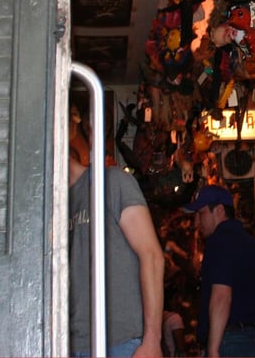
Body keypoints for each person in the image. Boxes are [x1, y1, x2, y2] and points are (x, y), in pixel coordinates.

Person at [69, 147, 164, 357]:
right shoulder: (54, 204)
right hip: (72, 344)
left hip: (121, 343)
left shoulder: (110, 182)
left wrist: (152, 340)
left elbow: (151, 255)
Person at [182, 185, 255, 357]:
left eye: (201, 214)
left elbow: (222, 296)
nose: (196, 223)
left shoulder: (218, 242)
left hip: (230, 343)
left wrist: (213, 349)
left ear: (219, 210)